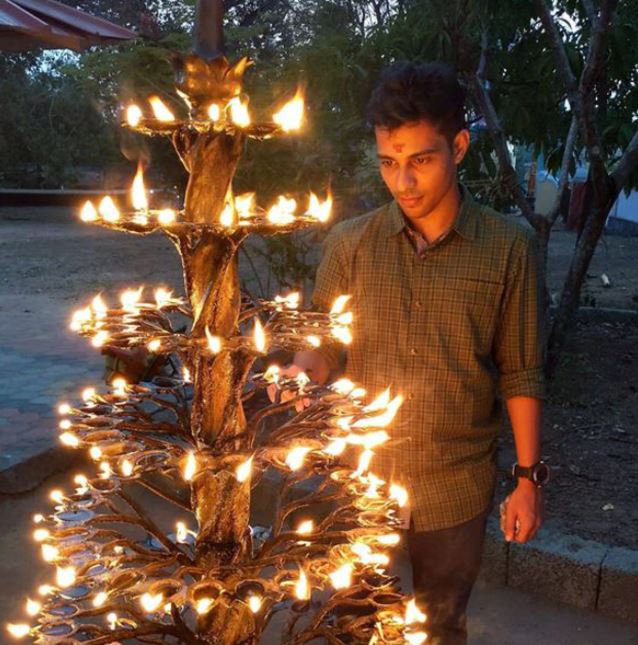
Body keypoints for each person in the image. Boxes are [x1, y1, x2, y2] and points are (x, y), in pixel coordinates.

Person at [272, 61, 548, 645]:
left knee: (440, 625)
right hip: (359, 478)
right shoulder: (350, 245)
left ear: (459, 147)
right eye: (388, 163)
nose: (403, 182)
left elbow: (522, 369)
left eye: (420, 160)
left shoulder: (509, 249)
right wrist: (301, 370)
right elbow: (324, 345)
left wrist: (527, 480)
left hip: (456, 482)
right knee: (351, 618)